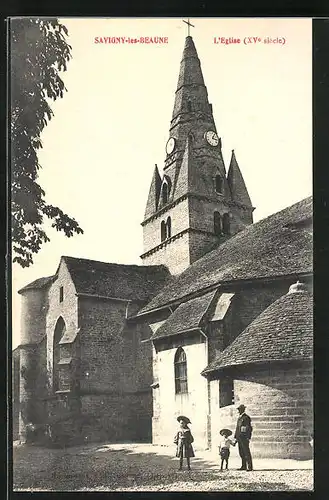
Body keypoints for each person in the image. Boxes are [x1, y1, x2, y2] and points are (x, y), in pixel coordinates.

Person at [234, 404, 253, 471]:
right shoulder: (239, 418)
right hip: (239, 437)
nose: (238, 411)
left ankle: (249, 467)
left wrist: (248, 437)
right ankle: (243, 466)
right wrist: (236, 437)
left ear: (243, 410)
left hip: (244, 437)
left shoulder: (246, 417)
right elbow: (237, 428)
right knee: (241, 452)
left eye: (239, 410)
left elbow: (249, 428)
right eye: (238, 410)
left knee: (246, 452)